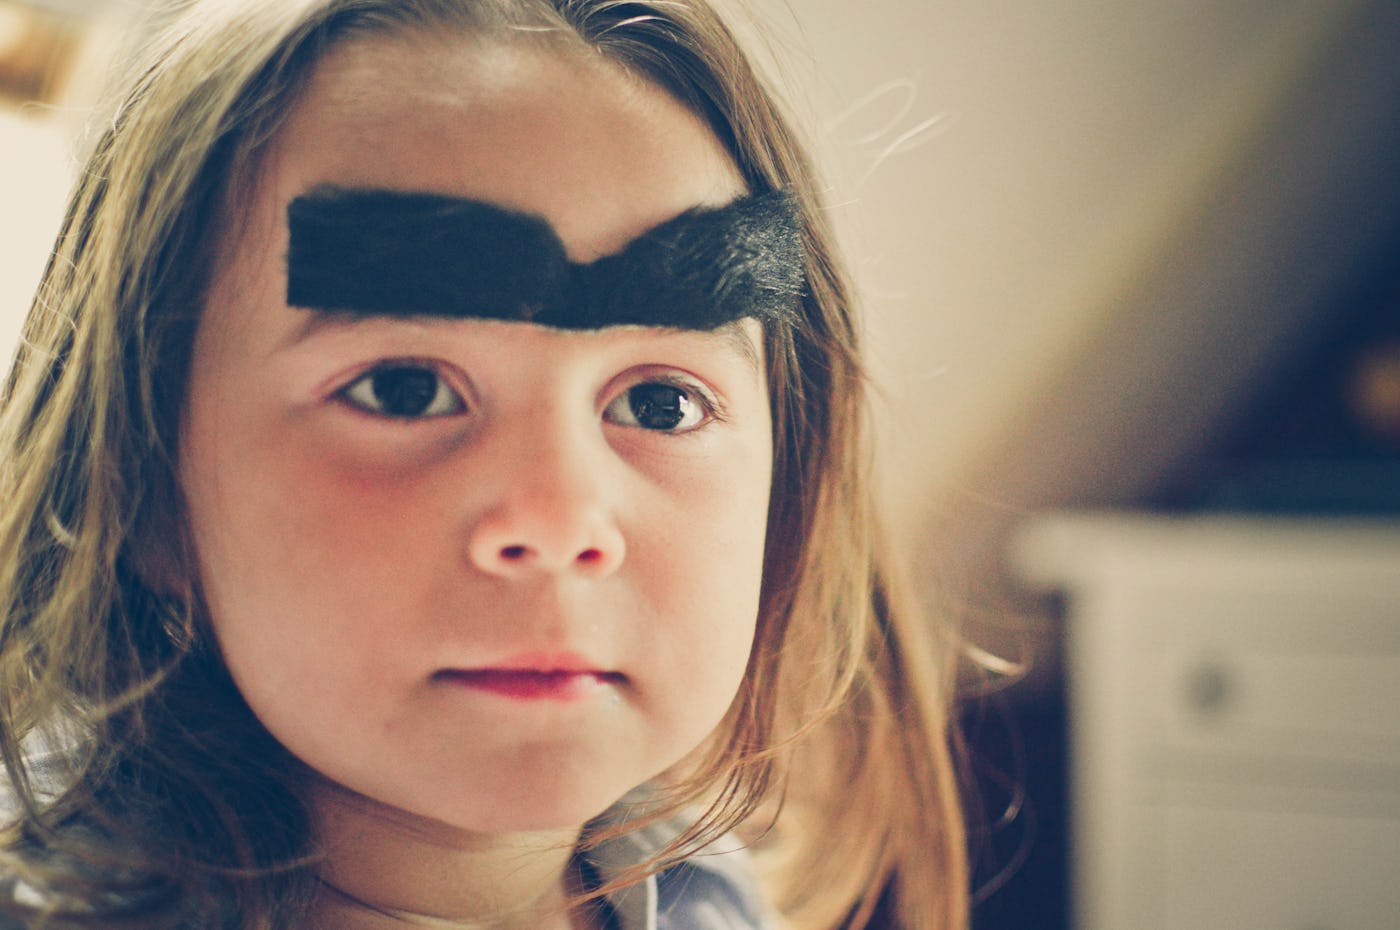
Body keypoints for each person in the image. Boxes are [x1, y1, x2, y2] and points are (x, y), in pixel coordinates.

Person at [0, 1, 968, 927]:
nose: (558, 520)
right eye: (404, 389)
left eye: (659, 402)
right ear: (139, 484)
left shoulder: (706, 897)